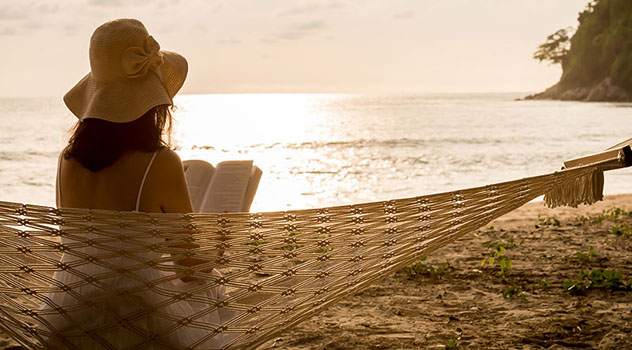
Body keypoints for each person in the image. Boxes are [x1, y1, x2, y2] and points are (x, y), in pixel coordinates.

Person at [37, 18, 233, 349]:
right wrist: (221, 240)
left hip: (68, 312)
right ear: (152, 100)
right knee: (209, 290)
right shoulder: (160, 163)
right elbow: (188, 270)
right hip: (138, 319)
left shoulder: (65, 160)